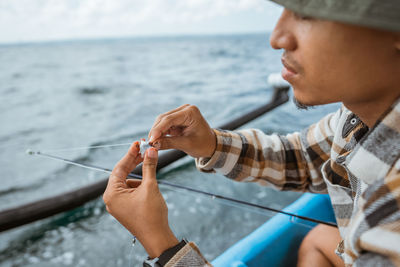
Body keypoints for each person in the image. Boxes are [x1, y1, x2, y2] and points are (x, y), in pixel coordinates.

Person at [102, 0, 400, 266]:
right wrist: (211, 145)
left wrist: (160, 244)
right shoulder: (357, 116)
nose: (276, 38)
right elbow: (303, 158)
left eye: (306, 13)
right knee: (317, 239)